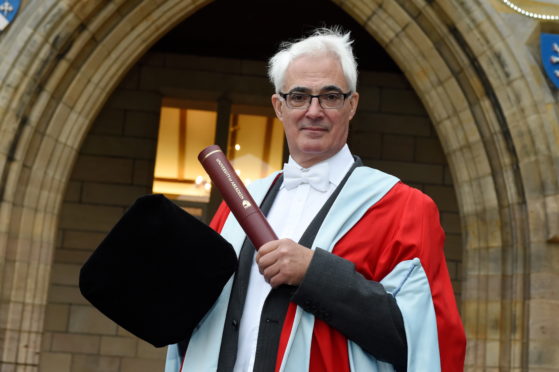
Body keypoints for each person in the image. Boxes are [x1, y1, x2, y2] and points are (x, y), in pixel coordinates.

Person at [165, 27, 466, 372]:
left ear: (352, 105)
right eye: (298, 96)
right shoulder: (234, 208)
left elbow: (426, 342)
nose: (313, 110)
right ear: (279, 106)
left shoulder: (403, 208)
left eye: (330, 96)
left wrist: (316, 274)